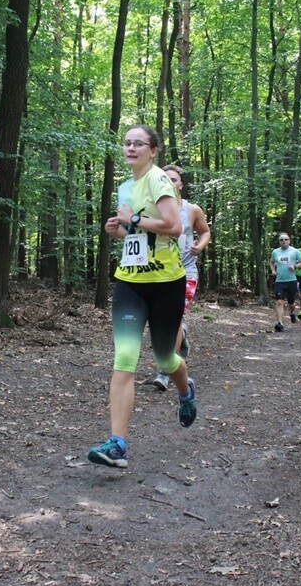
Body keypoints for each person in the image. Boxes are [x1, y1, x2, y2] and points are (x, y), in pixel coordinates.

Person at [88, 125, 196, 469]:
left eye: (139, 143)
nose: (131, 148)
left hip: (166, 282)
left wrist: (132, 218)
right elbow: (133, 233)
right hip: (130, 282)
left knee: (166, 359)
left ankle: (185, 391)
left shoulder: (159, 181)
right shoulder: (125, 186)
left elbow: (173, 226)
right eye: (127, 143)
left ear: (153, 150)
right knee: (125, 359)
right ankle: (118, 444)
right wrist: (118, 230)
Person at [152, 165, 212, 391]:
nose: (169, 182)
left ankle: (165, 370)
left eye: (173, 179)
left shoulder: (192, 209)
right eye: (164, 179)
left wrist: (200, 245)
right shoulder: (154, 208)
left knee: (173, 318)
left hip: (186, 272)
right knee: (161, 321)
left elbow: (205, 231)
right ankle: (182, 336)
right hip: (159, 272)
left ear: (180, 184)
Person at [269, 232, 301, 332]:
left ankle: (292, 313)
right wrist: (273, 270)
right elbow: (271, 262)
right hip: (279, 281)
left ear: (289, 241)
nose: (284, 241)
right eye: (281, 240)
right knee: (279, 302)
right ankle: (280, 323)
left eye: (286, 239)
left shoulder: (294, 251)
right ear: (279, 242)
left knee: (291, 303)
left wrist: (295, 266)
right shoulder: (275, 252)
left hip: (292, 280)